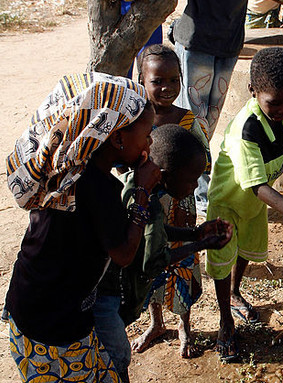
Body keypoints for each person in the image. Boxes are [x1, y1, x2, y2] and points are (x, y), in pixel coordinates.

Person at [5, 73, 161, 382]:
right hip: (54, 327)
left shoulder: (69, 173)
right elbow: (124, 254)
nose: (150, 142)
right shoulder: (97, 189)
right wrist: (142, 191)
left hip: (30, 305)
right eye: (146, 134)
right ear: (117, 138)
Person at [206, 47, 283, 362]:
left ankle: (235, 293)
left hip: (257, 200)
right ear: (253, 91)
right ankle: (224, 321)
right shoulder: (248, 128)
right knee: (222, 258)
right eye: (274, 102)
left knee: (247, 249)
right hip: (231, 200)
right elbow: (256, 184)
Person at [94, 125, 233, 382]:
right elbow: (154, 263)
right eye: (192, 180)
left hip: (105, 290)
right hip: (108, 297)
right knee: (117, 356)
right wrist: (201, 245)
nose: (194, 188)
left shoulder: (133, 186)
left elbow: (155, 231)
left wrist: (195, 233)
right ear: (167, 175)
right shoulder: (150, 205)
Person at [126, 44, 213, 360]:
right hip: (147, 206)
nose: (167, 88)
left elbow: (205, 160)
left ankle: (184, 326)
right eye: (157, 81)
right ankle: (156, 323)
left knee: (181, 264)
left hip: (181, 207)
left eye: (174, 80)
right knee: (150, 261)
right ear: (141, 81)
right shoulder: (134, 120)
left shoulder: (188, 120)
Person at [171, 0, 248, 216]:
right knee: (195, 123)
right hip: (197, 42)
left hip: (229, 44)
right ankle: (196, 192)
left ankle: (193, 186)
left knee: (209, 123)